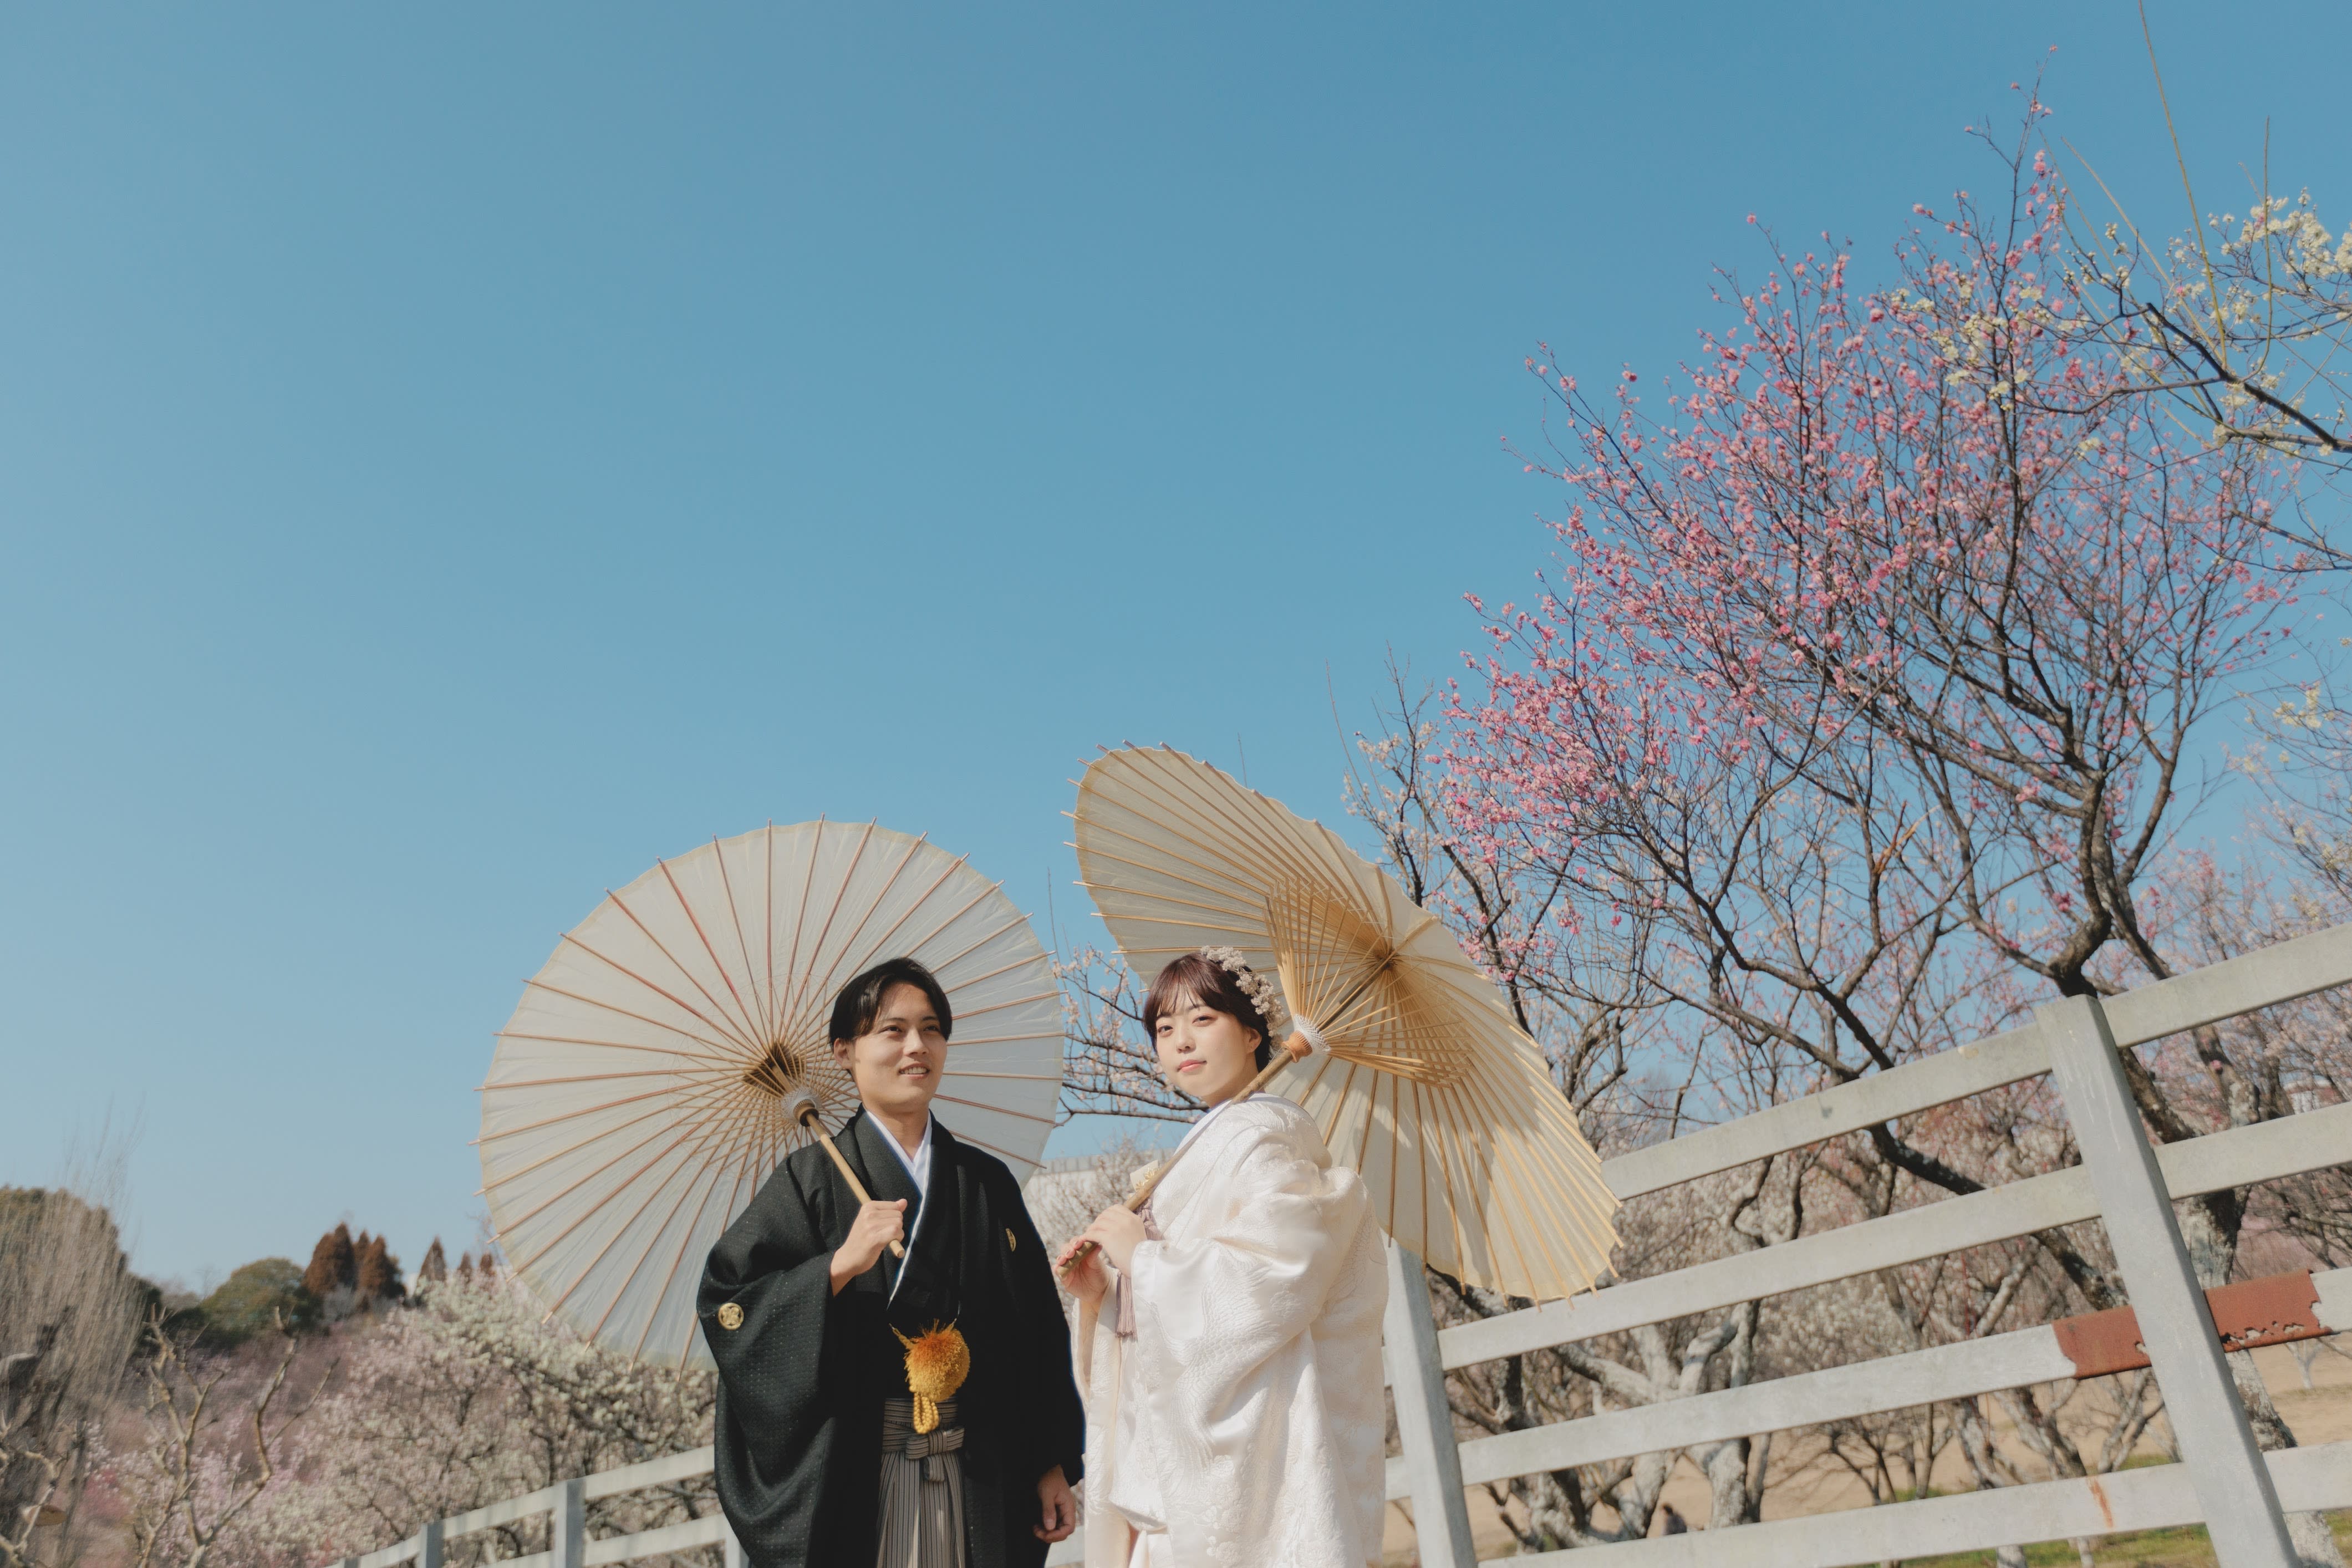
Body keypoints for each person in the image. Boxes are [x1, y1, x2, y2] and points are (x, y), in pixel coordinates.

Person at [700, 956, 1083, 1568]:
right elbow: (731, 1304)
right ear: (845, 1051)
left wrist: (1050, 1461)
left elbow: (1033, 1328)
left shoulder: (985, 1182)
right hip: (860, 1478)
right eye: (893, 1031)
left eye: (931, 1030)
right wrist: (837, 1267)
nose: (916, 1047)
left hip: (981, 1469)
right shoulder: (808, 1181)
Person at [1057, 948, 1388, 1568]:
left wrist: (1146, 1263)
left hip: (1234, 1479)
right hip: (1169, 1470)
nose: (1181, 1040)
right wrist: (1105, 1291)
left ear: (1253, 1033)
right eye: (1164, 1028)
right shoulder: (1213, 1138)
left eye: (1203, 1019)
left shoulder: (1263, 1140)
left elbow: (1272, 1281)